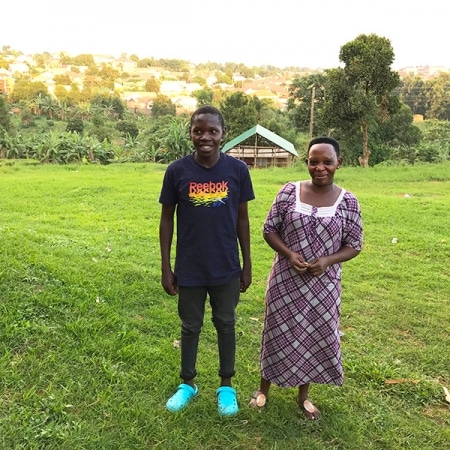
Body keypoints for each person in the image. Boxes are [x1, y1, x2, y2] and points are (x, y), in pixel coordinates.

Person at [249, 136, 363, 420]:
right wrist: (288, 254)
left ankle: (304, 396)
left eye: (327, 162)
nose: (320, 167)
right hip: (285, 281)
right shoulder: (289, 192)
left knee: (313, 335)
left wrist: (327, 260)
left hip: (324, 287)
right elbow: (269, 230)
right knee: (276, 332)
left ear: (339, 163)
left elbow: (354, 244)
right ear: (307, 163)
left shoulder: (347, 201)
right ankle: (263, 389)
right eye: (314, 162)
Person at [159, 105, 255, 416]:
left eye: (212, 131)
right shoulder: (177, 171)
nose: (205, 137)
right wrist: (166, 267)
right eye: (199, 130)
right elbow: (166, 221)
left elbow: (243, 220)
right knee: (190, 326)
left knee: (225, 324)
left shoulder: (237, 171)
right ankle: (187, 383)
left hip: (226, 266)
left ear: (223, 134)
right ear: (190, 132)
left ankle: (226, 386)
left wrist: (247, 263)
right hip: (190, 267)